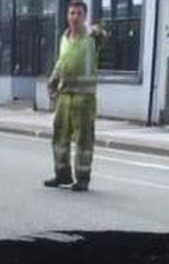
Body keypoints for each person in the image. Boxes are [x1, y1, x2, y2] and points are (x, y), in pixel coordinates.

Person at [43, 0, 105, 192]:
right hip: (65, 95)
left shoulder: (92, 38)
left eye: (79, 14)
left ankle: (82, 178)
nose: (75, 17)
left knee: (83, 139)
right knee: (59, 136)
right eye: (72, 13)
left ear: (84, 17)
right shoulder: (64, 38)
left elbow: (103, 35)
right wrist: (53, 80)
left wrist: (97, 30)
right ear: (67, 16)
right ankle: (62, 175)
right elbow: (61, 62)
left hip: (84, 98)